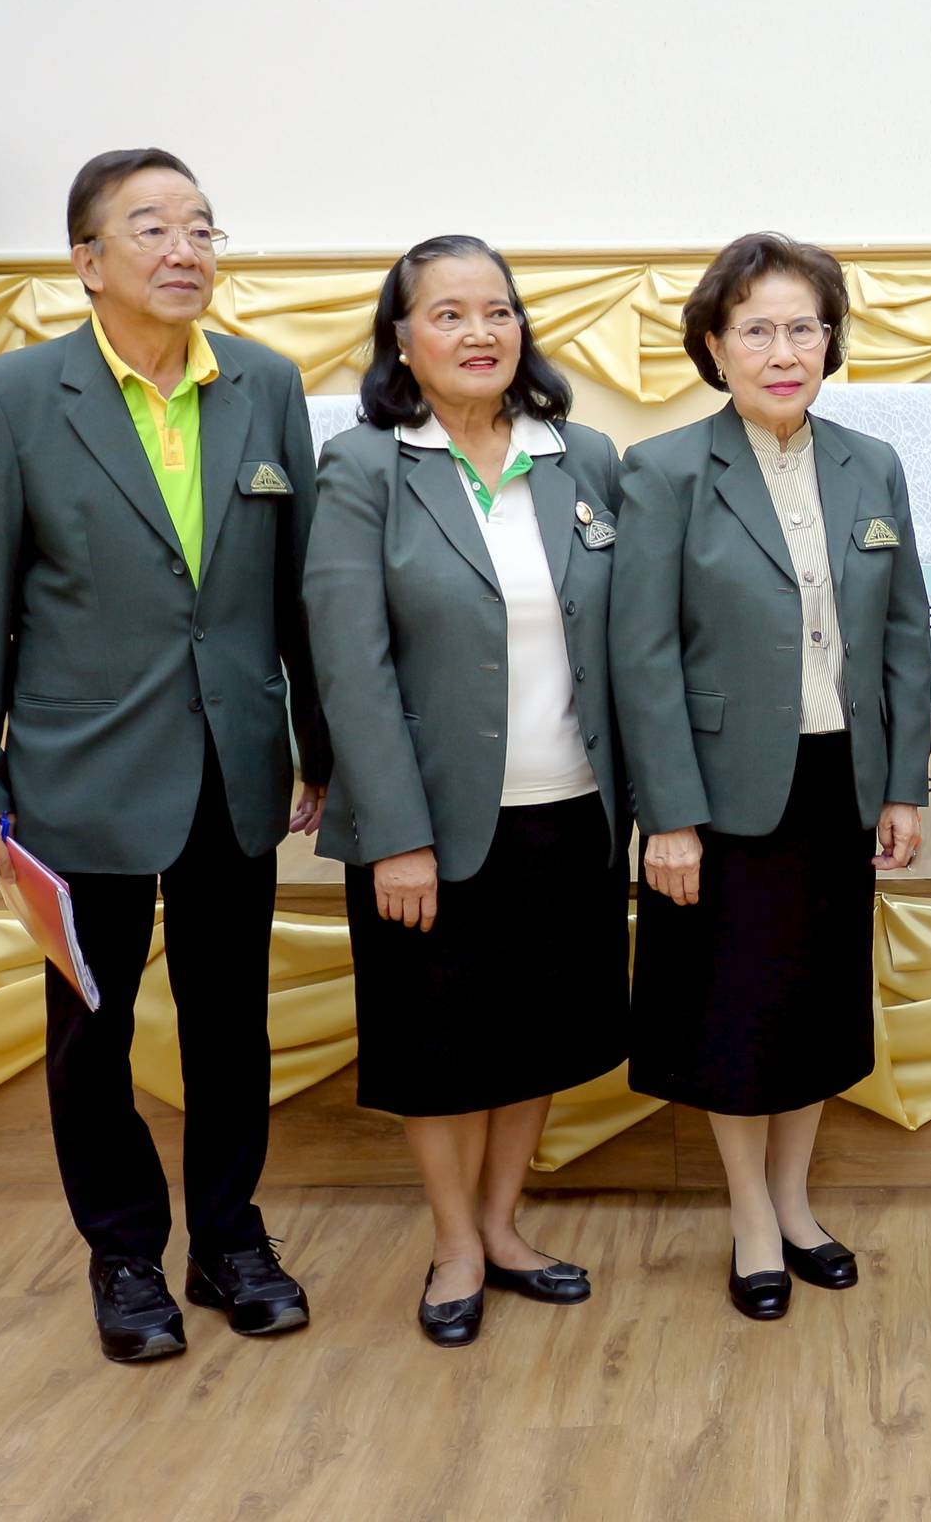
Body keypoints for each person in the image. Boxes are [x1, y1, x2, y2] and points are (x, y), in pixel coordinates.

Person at [0, 149, 329, 1362]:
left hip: (233, 768)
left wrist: (315, 741)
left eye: (202, 227)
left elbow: (302, 588)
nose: (184, 250)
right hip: (75, 776)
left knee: (230, 1024)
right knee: (91, 1031)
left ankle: (227, 1242)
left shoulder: (265, 384)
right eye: (151, 228)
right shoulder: (9, 398)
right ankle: (121, 1258)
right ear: (86, 262)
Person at [303, 236, 628, 1346]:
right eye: (448, 314)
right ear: (402, 337)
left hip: (569, 805)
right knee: (436, 1044)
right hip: (428, 824)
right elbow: (350, 662)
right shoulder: (365, 466)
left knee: (534, 1030)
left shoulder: (580, 456)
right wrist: (394, 832)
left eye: (498, 310)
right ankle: (451, 1242)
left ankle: (503, 1225)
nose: (480, 332)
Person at [614, 233, 931, 1321]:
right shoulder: (661, 472)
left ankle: (798, 1202)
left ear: (830, 340)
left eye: (805, 326)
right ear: (714, 344)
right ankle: (750, 1212)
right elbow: (642, 654)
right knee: (734, 1012)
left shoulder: (870, 463)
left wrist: (903, 786)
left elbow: (900, 636)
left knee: (816, 1006)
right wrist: (670, 816)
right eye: (757, 329)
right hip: (721, 791)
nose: (784, 349)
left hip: (841, 781)